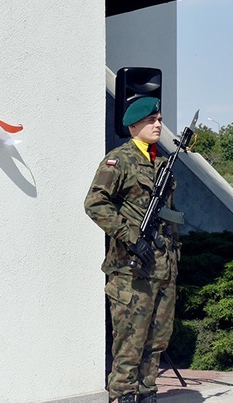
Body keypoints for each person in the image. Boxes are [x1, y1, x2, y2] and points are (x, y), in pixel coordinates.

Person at [84, 97, 182, 403]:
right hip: (131, 268)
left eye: (160, 120)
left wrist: (174, 254)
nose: (158, 124)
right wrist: (130, 236)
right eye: (151, 120)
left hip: (162, 266)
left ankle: (147, 390)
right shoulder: (119, 161)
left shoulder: (163, 163)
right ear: (134, 125)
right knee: (130, 339)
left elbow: (170, 215)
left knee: (157, 338)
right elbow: (94, 203)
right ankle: (123, 395)